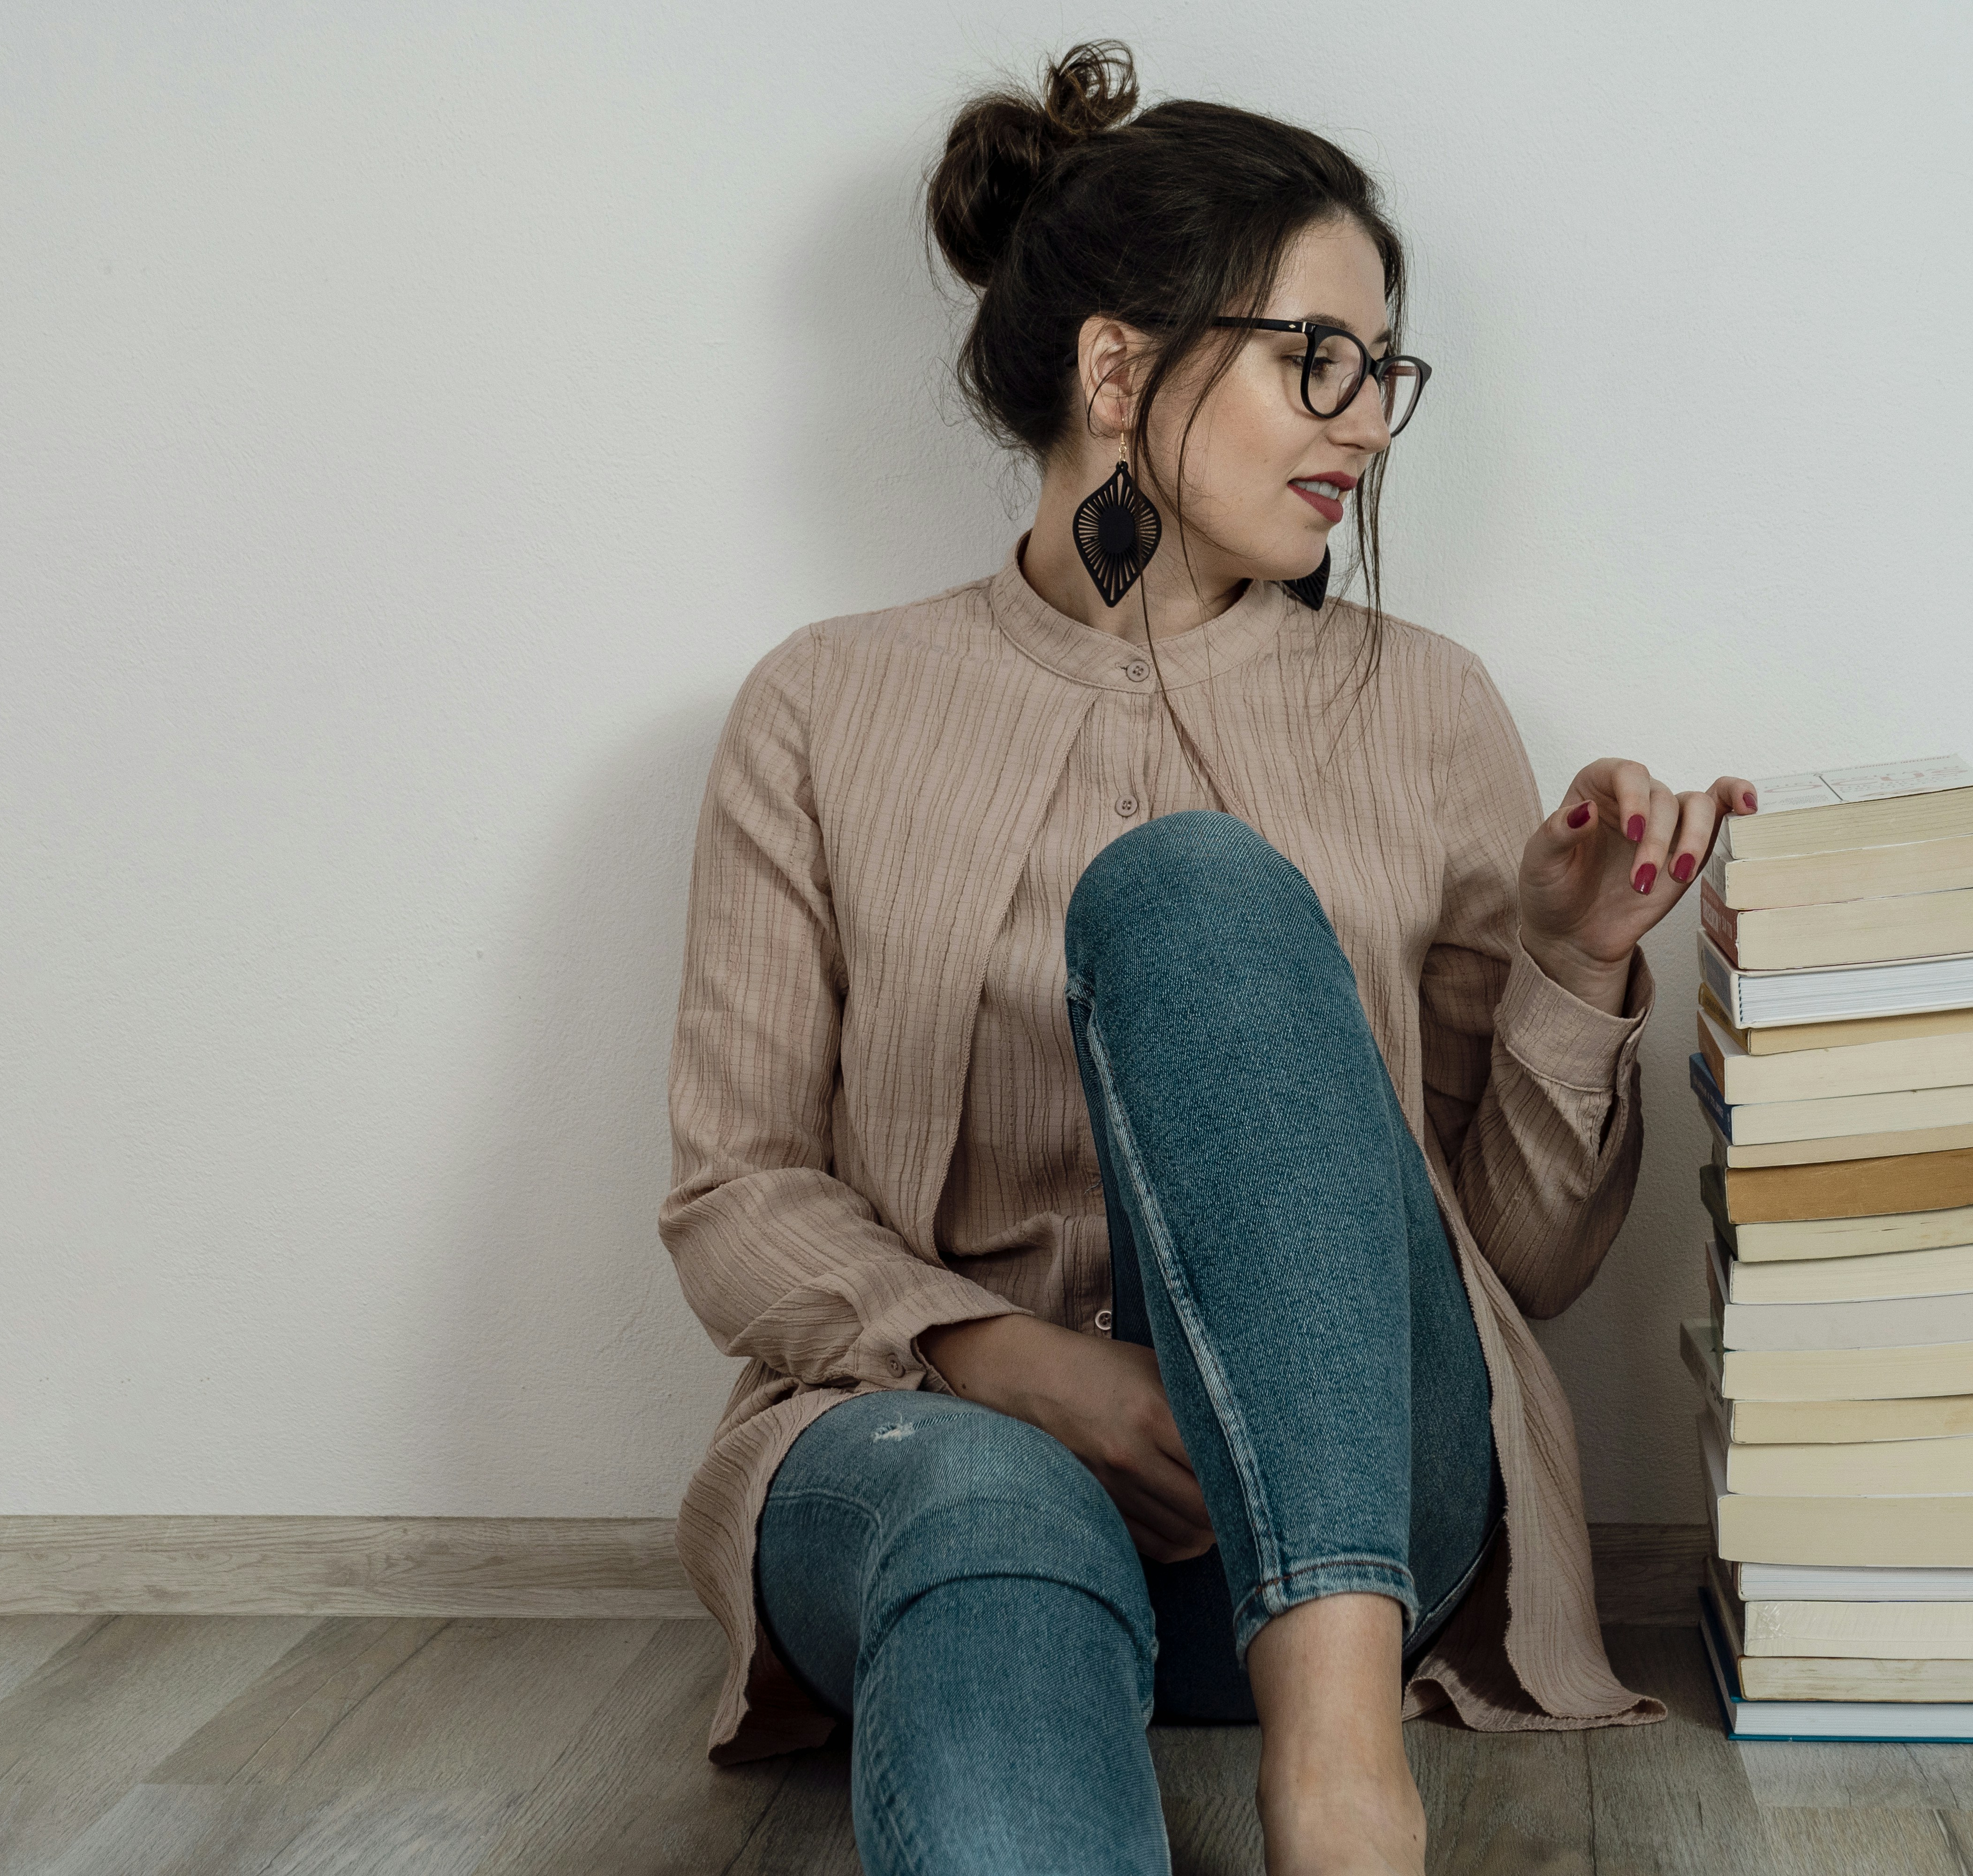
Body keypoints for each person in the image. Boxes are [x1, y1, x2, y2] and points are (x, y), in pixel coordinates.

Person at [659, 40, 1754, 1876]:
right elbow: (731, 1191)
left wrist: (1571, 969)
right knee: (982, 1522)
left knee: (1193, 891)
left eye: (1381, 369)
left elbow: (1524, 1262)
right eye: (1314, 360)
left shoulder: (1426, 708)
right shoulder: (824, 707)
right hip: (944, 1452)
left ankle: (1338, 1776)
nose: (1368, 421)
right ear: (1116, 371)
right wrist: (1027, 1367)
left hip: (1345, 1522)